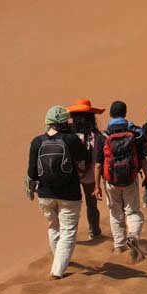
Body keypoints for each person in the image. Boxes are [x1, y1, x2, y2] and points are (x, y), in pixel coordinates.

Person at [27, 105, 88, 280]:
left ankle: (58, 262)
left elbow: (32, 172)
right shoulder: (72, 140)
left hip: (45, 194)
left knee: (54, 227)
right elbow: (83, 157)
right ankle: (57, 271)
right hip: (69, 194)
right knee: (68, 231)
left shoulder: (37, 142)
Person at [94, 100, 147, 263]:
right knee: (132, 212)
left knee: (115, 213)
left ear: (111, 114)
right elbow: (142, 159)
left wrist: (97, 187)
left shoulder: (103, 136)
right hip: (130, 179)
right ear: (125, 114)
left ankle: (119, 246)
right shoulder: (135, 134)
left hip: (110, 182)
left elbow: (98, 165)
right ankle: (133, 235)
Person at [67, 98, 106, 240]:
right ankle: (94, 231)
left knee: (71, 207)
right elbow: (99, 160)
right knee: (91, 205)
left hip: (72, 176)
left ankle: (69, 236)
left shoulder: (69, 136)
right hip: (91, 176)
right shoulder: (97, 136)